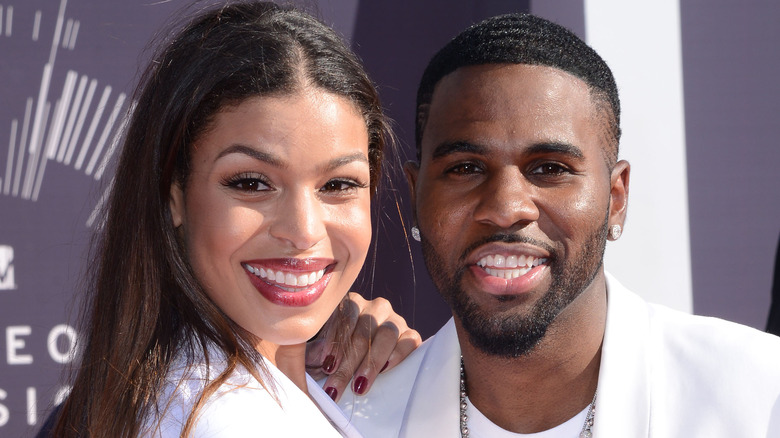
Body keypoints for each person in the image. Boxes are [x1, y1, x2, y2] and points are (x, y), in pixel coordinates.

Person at [338, 13, 780, 437]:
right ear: (416, 197)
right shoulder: (343, 418)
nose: (507, 208)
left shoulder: (760, 396)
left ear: (617, 198)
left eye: (549, 168)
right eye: (466, 168)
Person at [46, 2, 421, 437]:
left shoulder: (262, 392)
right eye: (252, 183)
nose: (303, 231)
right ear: (175, 198)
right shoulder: (222, 419)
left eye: (337, 185)